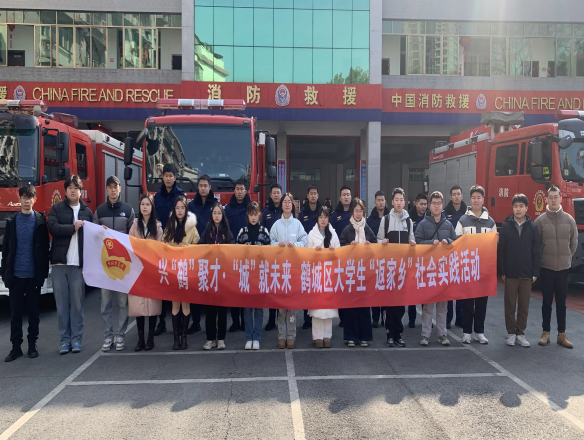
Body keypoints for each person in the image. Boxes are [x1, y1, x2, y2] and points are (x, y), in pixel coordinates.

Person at [1, 185, 50, 362]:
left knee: (33, 313)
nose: (27, 201)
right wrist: (4, 273)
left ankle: (32, 346)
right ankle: (16, 348)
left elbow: (44, 250)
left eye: (30, 198)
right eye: (24, 197)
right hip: (15, 275)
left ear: (34, 200)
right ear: (19, 199)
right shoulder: (12, 222)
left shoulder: (40, 222)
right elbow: (6, 250)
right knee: (15, 314)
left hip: (33, 276)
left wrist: (42, 274)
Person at [48, 175, 94, 354]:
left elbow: (92, 236)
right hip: (59, 264)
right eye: (70, 188)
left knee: (77, 305)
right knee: (61, 306)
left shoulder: (87, 212)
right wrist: (73, 228)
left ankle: (76, 340)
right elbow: (52, 228)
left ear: (81, 191)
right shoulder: (56, 208)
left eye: (76, 188)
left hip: (78, 266)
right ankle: (64, 341)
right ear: (65, 191)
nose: (73, 191)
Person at [94, 176, 135, 352]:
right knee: (106, 303)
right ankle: (108, 336)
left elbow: (133, 235)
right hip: (106, 265)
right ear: (106, 189)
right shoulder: (100, 211)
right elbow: (93, 235)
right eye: (109, 187)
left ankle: (120, 335)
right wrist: (99, 231)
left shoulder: (128, 209)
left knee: (123, 303)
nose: (112, 190)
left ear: (119, 189)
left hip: (123, 265)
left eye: (115, 187)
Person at [535, 185, 578, 349]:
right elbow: (536, 246)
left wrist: (566, 257)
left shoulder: (569, 220)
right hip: (546, 267)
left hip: (563, 268)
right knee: (546, 302)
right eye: (551, 197)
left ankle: (562, 334)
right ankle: (545, 332)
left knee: (561, 302)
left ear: (560, 198)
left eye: (556, 197)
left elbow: (573, 243)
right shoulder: (540, 221)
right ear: (546, 199)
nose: (553, 200)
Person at [455, 185, 497, 344]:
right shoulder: (462, 221)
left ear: (483, 200)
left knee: (481, 302)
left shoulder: (490, 222)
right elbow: (457, 241)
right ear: (470, 199)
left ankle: (479, 332)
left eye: (479, 197)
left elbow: (494, 246)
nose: (476, 200)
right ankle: (467, 332)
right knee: (467, 302)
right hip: (467, 268)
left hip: (484, 269)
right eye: (473, 198)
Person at [498, 194, 540, 348]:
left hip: (527, 273)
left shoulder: (532, 227)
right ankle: (511, 332)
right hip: (510, 272)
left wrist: (535, 272)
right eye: (516, 206)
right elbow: (501, 250)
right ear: (513, 208)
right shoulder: (506, 226)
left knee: (524, 305)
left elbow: (536, 252)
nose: (518, 209)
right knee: (510, 304)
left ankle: (521, 333)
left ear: (527, 208)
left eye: (521, 206)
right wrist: (502, 270)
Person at [415, 191, 455, 347]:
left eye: (439, 203)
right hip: (429, 270)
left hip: (443, 270)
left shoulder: (448, 225)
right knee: (428, 306)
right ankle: (425, 335)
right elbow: (417, 242)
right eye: (434, 203)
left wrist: (448, 241)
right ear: (429, 206)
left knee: (443, 306)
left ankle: (442, 334)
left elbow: (456, 243)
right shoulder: (423, 224)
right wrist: (431, 243)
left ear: (442, 205)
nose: (436, 206)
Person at [270, 193, 308, 349]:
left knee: (291, 307)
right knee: (281, 307)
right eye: (284, 202)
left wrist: (295, 244)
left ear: (293, 205)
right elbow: (270, 242)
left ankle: (291, 335)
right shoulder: (276, 225)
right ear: (281, 205)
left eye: (289, 202)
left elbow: (305, 241)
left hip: (292, 271)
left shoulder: (297, 224)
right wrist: (276, 245)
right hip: (280, 271)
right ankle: (281, 335)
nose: (287, 204)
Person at [378, 188, 415, 348]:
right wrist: (382, 243)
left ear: (404, 202)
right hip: (389, 268)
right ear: (392, 202)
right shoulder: (386, 220)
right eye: (396, 200)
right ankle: (389, 334)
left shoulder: (408, 221)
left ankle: (399, 334)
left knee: (400, 303)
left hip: (402, 269)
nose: (399, 202)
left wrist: (413, 243)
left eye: (401, 200)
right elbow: (378, 240)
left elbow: (412, 239)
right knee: (389, 302)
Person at [162, 196, 200, 350]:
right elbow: (163, 245)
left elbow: (198, 246)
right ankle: (175, 338)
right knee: (174, 305)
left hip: (186, 270)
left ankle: (184, 338)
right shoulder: (169, 226)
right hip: (173, 270)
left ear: (186, 210)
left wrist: (188, 248)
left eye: (182, 208)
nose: (179, 211)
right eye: (177, 208)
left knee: (186, 304)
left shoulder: (192, 227)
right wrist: (167, 247)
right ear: (174, 210)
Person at [153, 164, 186, 337]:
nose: (168, 178)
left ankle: (180, 322)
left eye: (171, 175)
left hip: (178, 243)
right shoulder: (157, 197)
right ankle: (161, 321)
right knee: (163, 283)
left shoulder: (180, 196)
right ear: (163, 177)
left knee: (178, 284)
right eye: (165, 175)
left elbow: (185, 218)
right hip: (162, 244)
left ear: (175, 177)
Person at [339, 198, 377, 347]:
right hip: (350, 273)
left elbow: (375, 248)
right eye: (356, 210)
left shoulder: (367, 229)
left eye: (361, 211)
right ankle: (351, 336)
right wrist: (349, 246)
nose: (358, 213)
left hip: (364, 273)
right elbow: (340, 248)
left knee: (364, 306)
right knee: (350, 306)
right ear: (352, 212)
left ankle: (364, 336)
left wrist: (369, 246)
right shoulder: (347, 229)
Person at [128, 194, 163, 351]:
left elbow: (161, 248)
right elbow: (129, 245)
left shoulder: (158, 226)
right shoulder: (135, 225)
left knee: (153, 304)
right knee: (138, 306)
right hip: (138, 270)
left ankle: (150, 338)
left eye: (147, 204)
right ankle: (140, 338)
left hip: (152, 270)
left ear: (152, 207)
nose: (145, 207)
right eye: (142, 204)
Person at [237, 202, 271, 350]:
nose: (253, 217)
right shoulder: (242, 231)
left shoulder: (264, 231)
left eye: (255, 214)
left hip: (260, 274)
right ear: (247, 216)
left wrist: (262, 251)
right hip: (246, 274)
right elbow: (235, 252)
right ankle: (248, 337)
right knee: (247, 308)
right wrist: (243, 251)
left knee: (258, 308)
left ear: (259, 215)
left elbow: (271, 252)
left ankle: (257, 337)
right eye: (251, 215)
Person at [200, 204, 234, 350]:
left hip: (222, 276)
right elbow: (199, 247)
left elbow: (233, 248)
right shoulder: (207, 230)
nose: (217, 215)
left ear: (222, 215)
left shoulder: (227, 231)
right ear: (211, 215)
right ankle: (210, 339)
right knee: (210, 310)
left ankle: (221, 339)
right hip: (209, 275)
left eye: (219, 213)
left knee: (222, 310)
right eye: (214, 213)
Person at [186, 174, 218, 335]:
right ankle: (196, 322)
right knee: (196, 288)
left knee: (212, 286)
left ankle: (213, 325)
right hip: (196, 250)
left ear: (210, 187)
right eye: (201, 186)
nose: (203, 188)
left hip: (212, 252)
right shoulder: (191, 205)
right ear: (197, 187)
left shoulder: (216, 205)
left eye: (206, 185)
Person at [307, 206, 340, 348]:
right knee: (317, 307)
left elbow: (339, 253)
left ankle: (327, 336)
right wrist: (315, 251)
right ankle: (317, 336)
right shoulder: (312, 234)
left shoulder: (333, 233)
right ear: (317, 218)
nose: (323, 219)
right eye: (320, 217)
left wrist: (333, 251)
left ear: (328, 218)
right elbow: (307, 254)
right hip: (317, 273)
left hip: (329, 274)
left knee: (328, 306)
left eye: (325, 217)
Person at [225, 180, 250, 333]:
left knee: (245, 288)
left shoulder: (250, 207)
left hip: (248, 254)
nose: (240, 191)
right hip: (233, 253)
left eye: (242, 189)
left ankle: (245, 321)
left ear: (246, 191)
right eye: (237, 189)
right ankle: (235, 321)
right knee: (234, 289)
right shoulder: (228, 209)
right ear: (234, 191)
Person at [298, 185, 322, 329]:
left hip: (320, 255)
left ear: (318, 195)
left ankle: (317, 317)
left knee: (318, 287)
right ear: (307, 196)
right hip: (306, 256)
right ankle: (307, 319)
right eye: (311, 193)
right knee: (307, 288)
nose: (313, 196)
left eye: (315, 193)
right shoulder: (302, 214)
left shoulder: (322, 212)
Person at [445, 185, 467, 329]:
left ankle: (460, 318)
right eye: (454, 194)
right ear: (451, 196)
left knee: (460, 289)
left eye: (458, 194)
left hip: (463, 256)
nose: (456, 196)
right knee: (449, 290)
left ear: (462, 195)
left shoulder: (468, 213)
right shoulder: (444, 213)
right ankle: (447, 319)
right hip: (448, 255)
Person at [261, 183, 282, 331]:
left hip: (283, 256)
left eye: (278, 192)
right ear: (270, 195)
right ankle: (271, 319)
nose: (276, 195)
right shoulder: (265, 212)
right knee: (271, 288)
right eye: (274, 192)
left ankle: (282, 318)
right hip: (269, 255)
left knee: (282, 288)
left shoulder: (285, 210)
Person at [367, 190, 389, 328]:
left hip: (388, 260)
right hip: (374, 260)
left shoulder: (391, 218)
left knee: (386, 290)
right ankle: (375, 318)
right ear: (375, 202)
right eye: (378, 200)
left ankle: (385, 317)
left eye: (382, 200)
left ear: (385, 201)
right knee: (375, 289)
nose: (381, 202)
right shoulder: (370, 220)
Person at [331, 185, 352, 327]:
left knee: (351, 287)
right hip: (339, 256)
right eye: (344, 194)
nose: (346, 197)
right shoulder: (335, 215)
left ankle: (351, 316)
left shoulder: (355, 212)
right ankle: (343, 318)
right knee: (341, 288)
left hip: (354, 257)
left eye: (348, 194)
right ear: (340, 197)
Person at [407, 192, 428, 328]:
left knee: (425, 291)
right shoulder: (408, 217)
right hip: (412, 260)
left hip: (426, 259)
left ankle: (426, 320)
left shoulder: (430, 217)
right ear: (415, 204)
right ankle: (412, 319)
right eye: (421, 204)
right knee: (412, 291)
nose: (424, 207)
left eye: (425, 204)